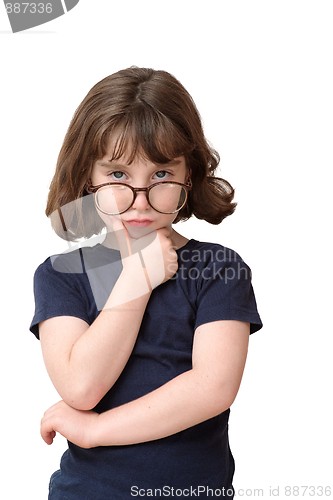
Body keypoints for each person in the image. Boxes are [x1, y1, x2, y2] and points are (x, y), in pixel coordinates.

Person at [30, 66, 263, 499]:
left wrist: (97, 429)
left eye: (160, 175)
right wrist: (137, 280)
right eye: (118, 175)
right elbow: (81, 386)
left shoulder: (219, 269)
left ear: (188, 176)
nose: (140, 200)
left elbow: (213, 388)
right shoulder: (61, 276)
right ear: (89, 177)